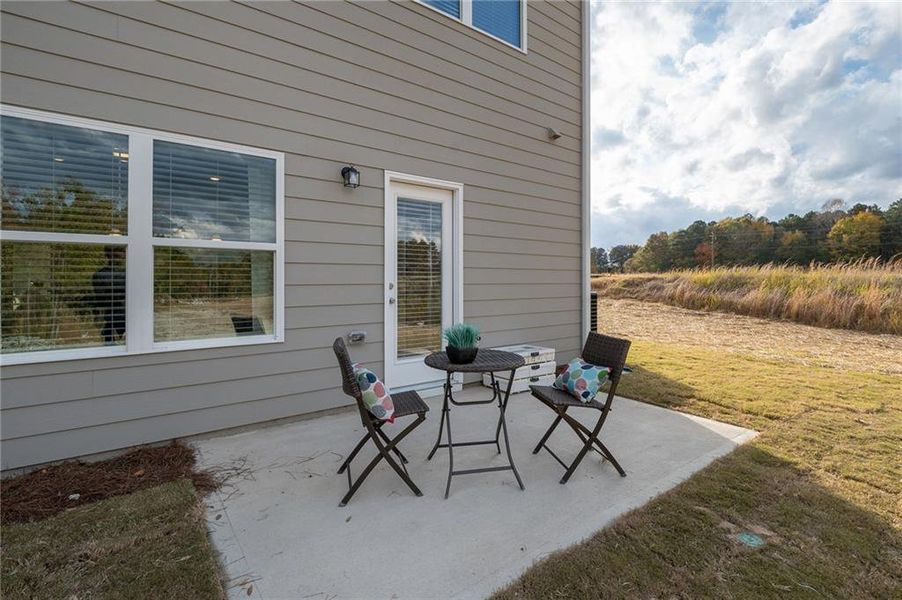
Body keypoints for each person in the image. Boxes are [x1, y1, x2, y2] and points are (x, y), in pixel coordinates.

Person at [91, 246, 126, 344]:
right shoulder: (100, 275)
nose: (118, 258)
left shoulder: (131, 274)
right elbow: (101, 301)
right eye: (115, 255)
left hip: (133, 322)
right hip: (111, 323)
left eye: (120, 255)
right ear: (108, 256)